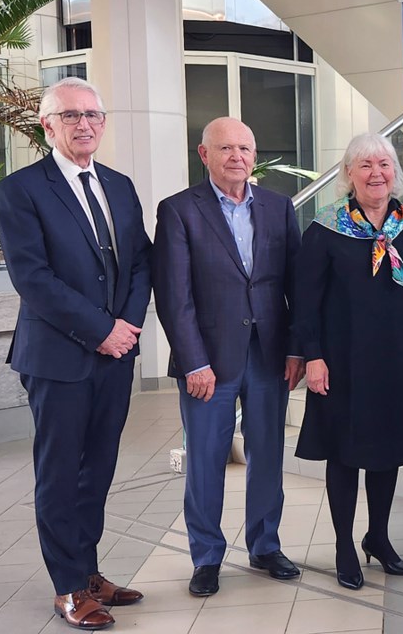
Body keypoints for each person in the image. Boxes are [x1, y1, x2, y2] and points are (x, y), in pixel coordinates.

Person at [0, 76, 152, 630]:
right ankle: (67, 589)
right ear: (48, 124)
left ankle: (87, 571)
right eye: (71, 115)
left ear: (103, 123)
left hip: (116, 354)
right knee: (61, 474)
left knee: (99, 470)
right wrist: (101, 330)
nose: (84, 124)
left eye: (93, 115)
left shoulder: (120, 185)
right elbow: (33, 280)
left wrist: (127, 326)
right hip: (59, 357)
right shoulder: (22, 190)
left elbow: (140, 263)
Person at [151, 117, 305, 597]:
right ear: (204, 154)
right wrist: (193, 361)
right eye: (226, 148)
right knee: (205, 459)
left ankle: (264, 545)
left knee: (268, 456)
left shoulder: (279, 208)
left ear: (254, 155)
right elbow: (173, 295)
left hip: (269, 356)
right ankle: (207, 558)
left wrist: (298, 348)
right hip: (208, 364)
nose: (237, 157)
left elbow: (297, 287)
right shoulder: (179, 210)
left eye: (245, 148)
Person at [292, 132, 403, 591]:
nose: (376, 173)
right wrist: (313, 357)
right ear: (348, 174)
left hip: (396, 361)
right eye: (365, 165)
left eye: (385, 164)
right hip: (343, 363)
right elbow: (304, 302)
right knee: (345, 455)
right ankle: (344, 546)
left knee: (386, 453)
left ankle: (378, 537)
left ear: (396, 173)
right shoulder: (325, 229)